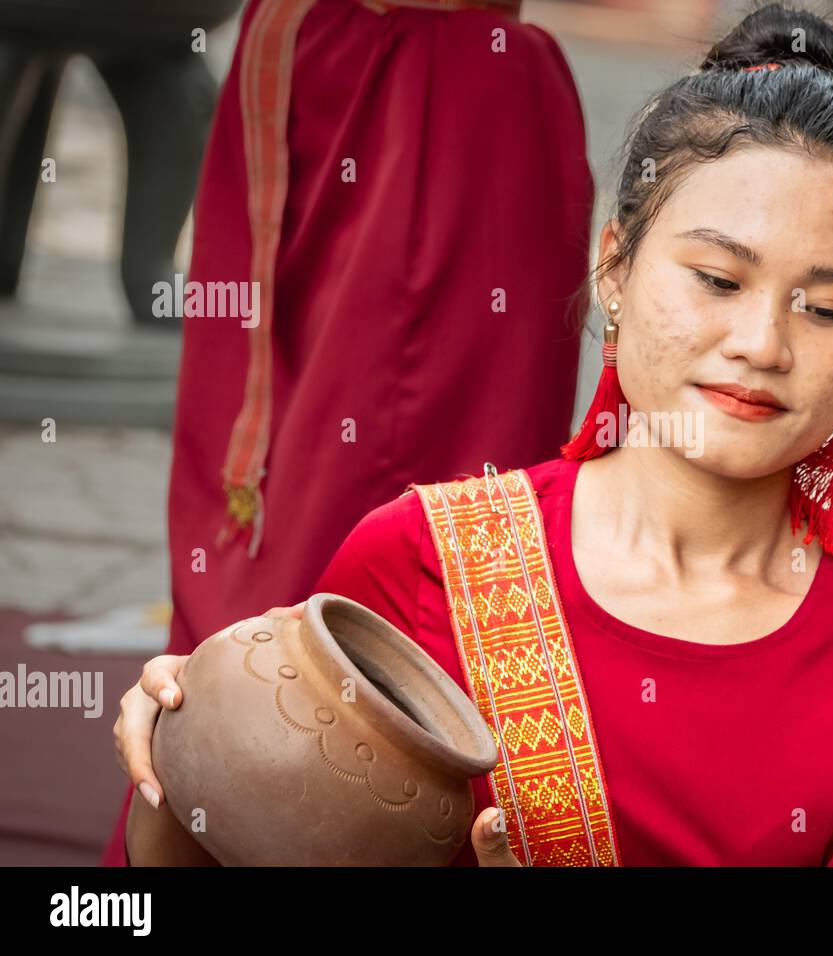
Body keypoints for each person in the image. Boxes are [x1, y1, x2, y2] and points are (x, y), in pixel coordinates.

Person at [111, 3, 833, 867]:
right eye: (716, 279)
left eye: (822, 308)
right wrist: (182, 773)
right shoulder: (425, 561)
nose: (763, 345)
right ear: (613, 266)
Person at [100, 0, 594, 864]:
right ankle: (221, 802)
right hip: (338, 55)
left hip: (467, 77)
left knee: (463, 533)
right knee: (281, 539)